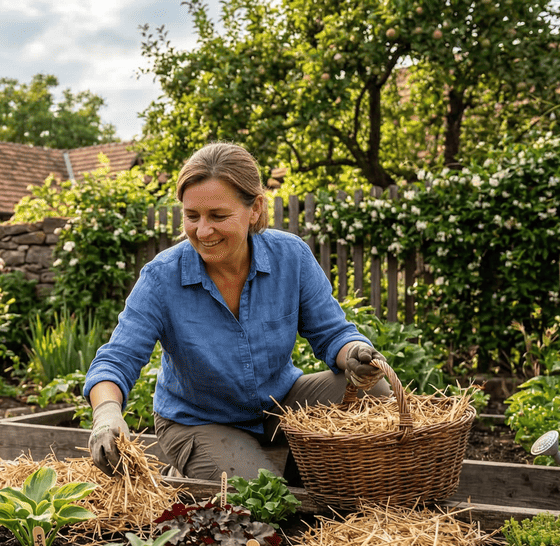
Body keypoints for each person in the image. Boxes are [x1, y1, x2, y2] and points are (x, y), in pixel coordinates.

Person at [84, 142, 390, 483]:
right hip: (198, 420)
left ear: (255, 208)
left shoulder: (291, 257)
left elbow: (333, 334)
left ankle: (295, 471)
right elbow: (116, 359)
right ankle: (203, 466)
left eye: (218, 216)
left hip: (280, 403)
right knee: (263, 494)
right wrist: (108, 413)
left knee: (375, 392)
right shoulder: (161, 277)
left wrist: (354, 354)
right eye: (192, 216)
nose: (202, 231)